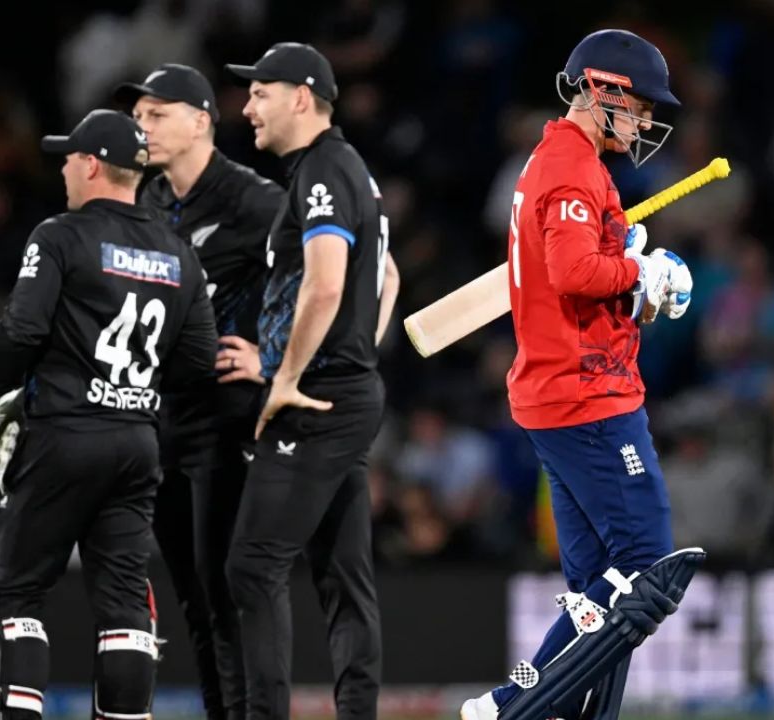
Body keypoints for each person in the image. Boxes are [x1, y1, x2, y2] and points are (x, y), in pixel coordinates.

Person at [460, 30, 705, 720]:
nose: (649, 122)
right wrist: (640, 271)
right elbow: (571, 273)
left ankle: (518, 701)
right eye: (643, 107)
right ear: (602, 89)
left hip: (565, 390)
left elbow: (569, 278)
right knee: (648, 573)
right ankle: (513, 707)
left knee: (601, 589)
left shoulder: (567, 164)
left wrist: (624, 271)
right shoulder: (570, 168)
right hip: (586, 395)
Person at [0, 109, 217, 720]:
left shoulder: (59, 235)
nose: (60, 167)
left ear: (90, 164)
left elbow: (21, 329)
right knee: (126, 607)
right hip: (135, 444)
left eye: (67, 156)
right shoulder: (178, 252)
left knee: (19, 592)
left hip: (62, 434)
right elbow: (199, 361)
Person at [222, 42, 399, 720]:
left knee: (253, 565)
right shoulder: (346, 170)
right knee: (342, 575)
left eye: (260, 92)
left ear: (301, 96)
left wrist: (284, 376)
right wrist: (355, 354)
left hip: (318, 398)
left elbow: (326, 285)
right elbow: (386, 279)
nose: (248, 106)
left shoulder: (324, 168)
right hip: (345, 389)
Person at [115, 63, 283, 720]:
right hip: (163, 425)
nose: (143, 128)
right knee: (191, 598)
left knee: (226, 592)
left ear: (201, 120)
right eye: (138, 118)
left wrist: (276, 357)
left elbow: (330, 278)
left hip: (229, 423)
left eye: (156, 114)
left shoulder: (254, 199)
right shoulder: (149, 203)